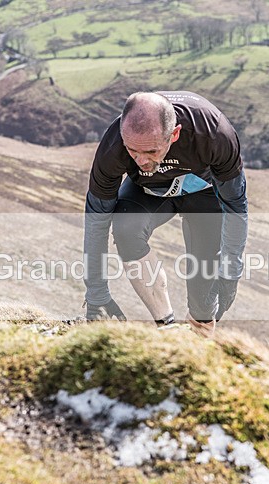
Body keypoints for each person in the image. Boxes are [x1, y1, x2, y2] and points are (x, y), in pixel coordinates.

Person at [82, 91, 248, 334]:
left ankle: (198, 351)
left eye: (151, 151)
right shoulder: (114, 147)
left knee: (205, 303)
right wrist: (96, 295)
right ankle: (166, 327)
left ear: (175, 134)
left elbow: (235, 206)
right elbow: (97, 219)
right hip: (148, 192)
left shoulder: (213, 132)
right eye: (132, 151)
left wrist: (231, 271)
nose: (141, 161)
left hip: (204, 194)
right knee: (126, 229)